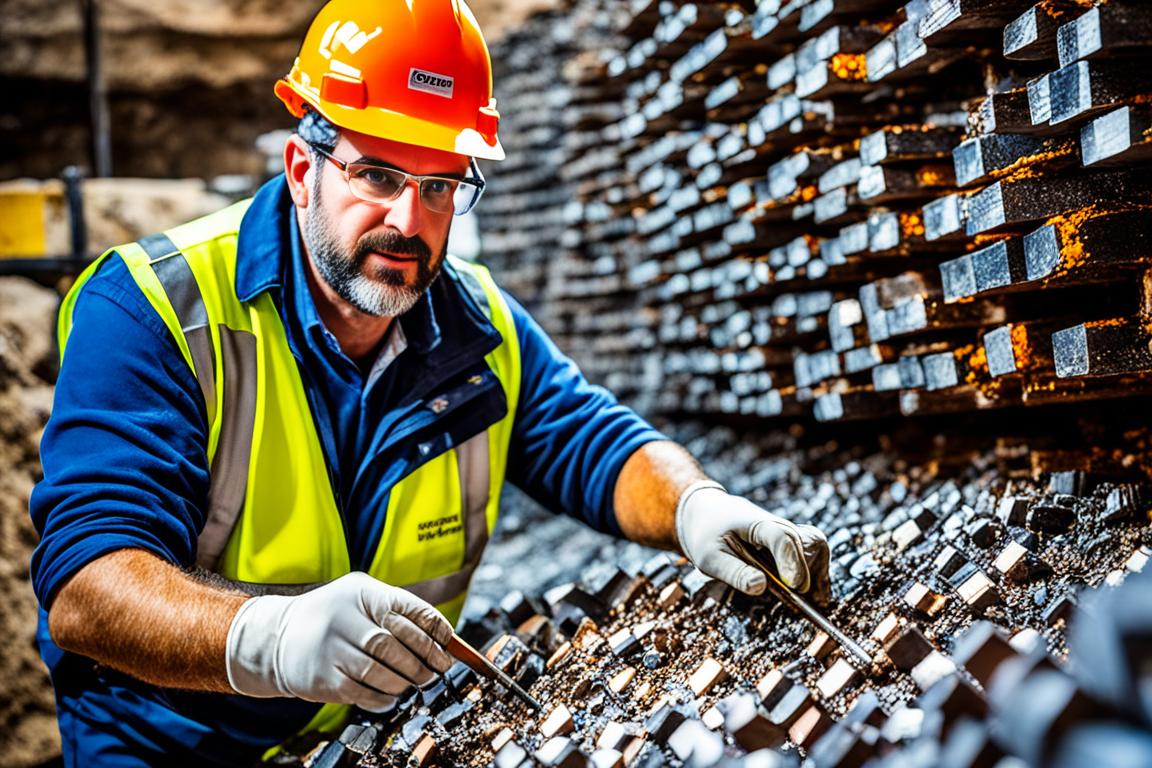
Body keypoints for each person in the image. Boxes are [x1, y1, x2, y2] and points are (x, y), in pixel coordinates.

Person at [29, 1, 831, 765]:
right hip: (176, 744)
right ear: (302, 168)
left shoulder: (478, 324)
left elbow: (593, 444)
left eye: (441, 186)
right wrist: (270, 640)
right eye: (377, 175)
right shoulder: (152, 311)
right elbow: (89, 584)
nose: (411, 221)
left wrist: (697, 507)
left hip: (377, 732)